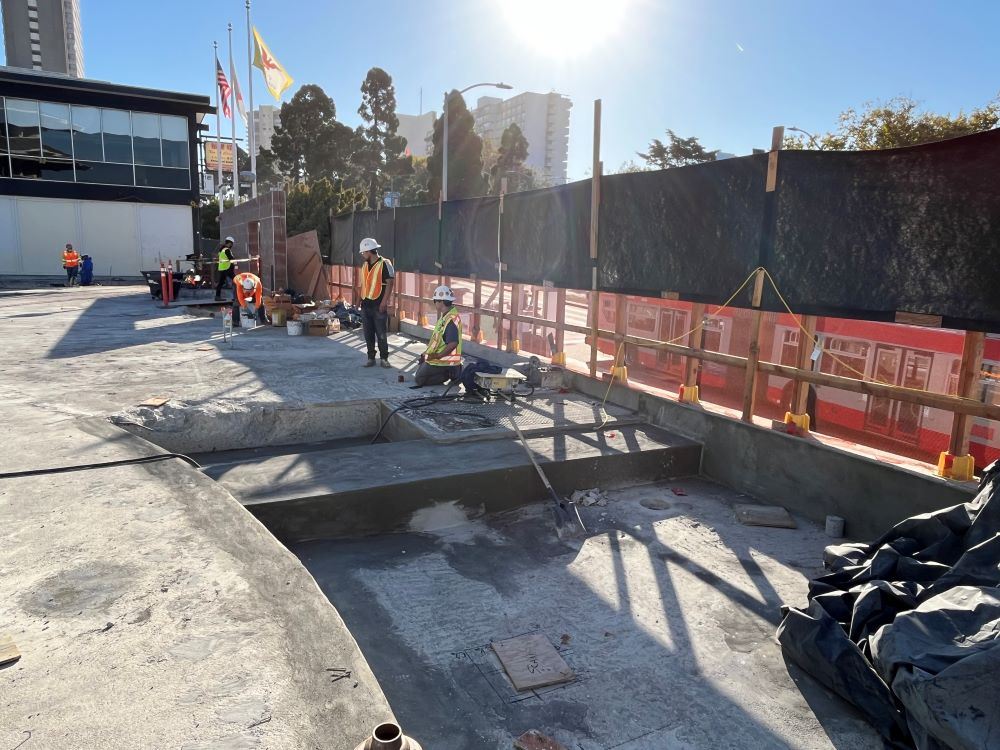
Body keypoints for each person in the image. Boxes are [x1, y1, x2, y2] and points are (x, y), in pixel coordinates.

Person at [415, 285, 463, 387]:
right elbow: (437, 341)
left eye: (435, 301)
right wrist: (426, 354)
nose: (435, 303)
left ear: (441, 302)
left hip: (444, 360)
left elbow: (453, 343)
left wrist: (438, 356)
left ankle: (450, 373)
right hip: (442, 358)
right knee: (421, 365)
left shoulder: (450, 319)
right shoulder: (445, 316)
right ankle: (453, 371)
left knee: (419, 379)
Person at [357, 237, 394, 368]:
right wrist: (358, 300)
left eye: (363, 252)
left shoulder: (385, 263)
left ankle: (384, 358)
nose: (362, 255)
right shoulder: (365, 265)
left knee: (381, 334)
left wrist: (384, 302)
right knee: (368, 333)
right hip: (366, 304)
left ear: (369, 251)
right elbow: (364, 284)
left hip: (379, 305)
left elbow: (390, 283)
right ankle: (371, 358)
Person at [214, 236, 236, 300]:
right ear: (229, 243)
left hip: (222, 268)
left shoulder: (221, 250)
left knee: (221, 283)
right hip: (227, 269)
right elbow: (231, 259)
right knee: (236, 281)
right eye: (231, 244)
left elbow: (219, 257)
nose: (232, 245)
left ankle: (217, 297)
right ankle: (236, 297)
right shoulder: (227, 250)